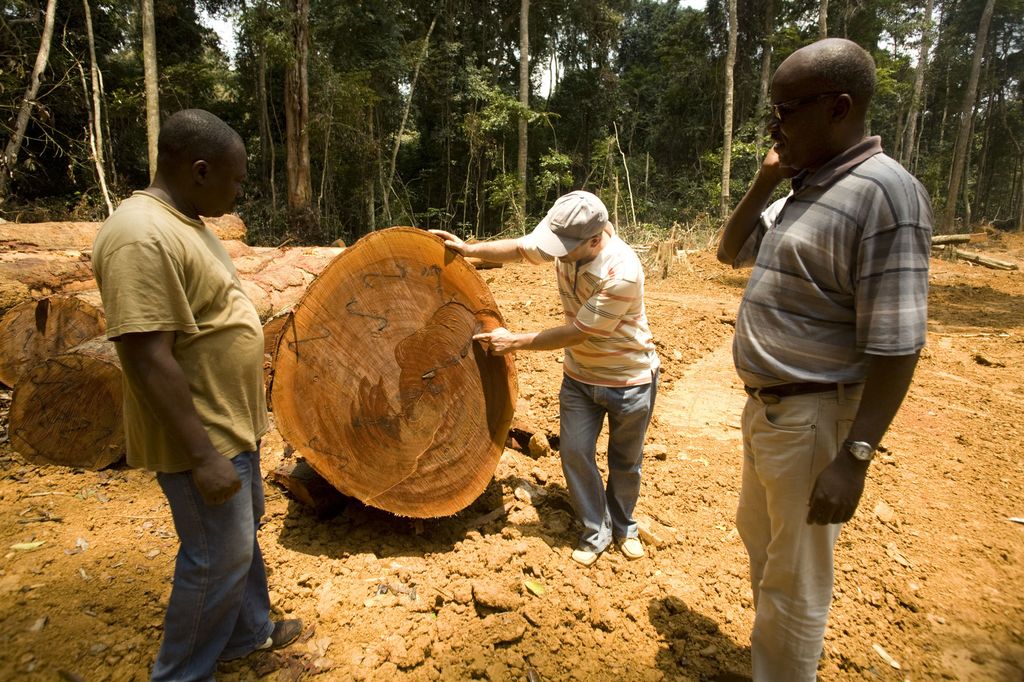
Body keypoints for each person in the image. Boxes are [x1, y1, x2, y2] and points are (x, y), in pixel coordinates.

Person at [716, 39, 932, 681]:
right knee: (765, 553)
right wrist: (764, 181)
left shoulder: (885, 196)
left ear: (839, 107)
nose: (774, 125)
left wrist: (856, 456)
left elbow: (898, 342)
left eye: (785, 109)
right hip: (770, 415)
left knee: (796, 581)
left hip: (816, 421)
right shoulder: (805, 187)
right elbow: (730, 252)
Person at [92, 109, 302, 681]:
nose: (239, 192)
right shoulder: (139, 235)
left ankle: (246, 632)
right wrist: (204, 456)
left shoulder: (185, 221)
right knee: (216, 557)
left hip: (228, 422)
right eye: (235, 180)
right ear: (200, 169)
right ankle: (181, 673)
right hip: (201, 435)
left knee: (241, 536)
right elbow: (145, 354)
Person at [432, 191, 660, 567]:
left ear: (594, 238)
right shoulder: (567, 247)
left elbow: (578, 332)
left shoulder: (622, 272)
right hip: (579, 378)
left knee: (625, 461)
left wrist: (514, 341)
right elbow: (521, 250)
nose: (555, 253)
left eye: (563, 248)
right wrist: (468, 249)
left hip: (629, 380)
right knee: (573, 452)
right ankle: (595, 530)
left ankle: (625, 527)